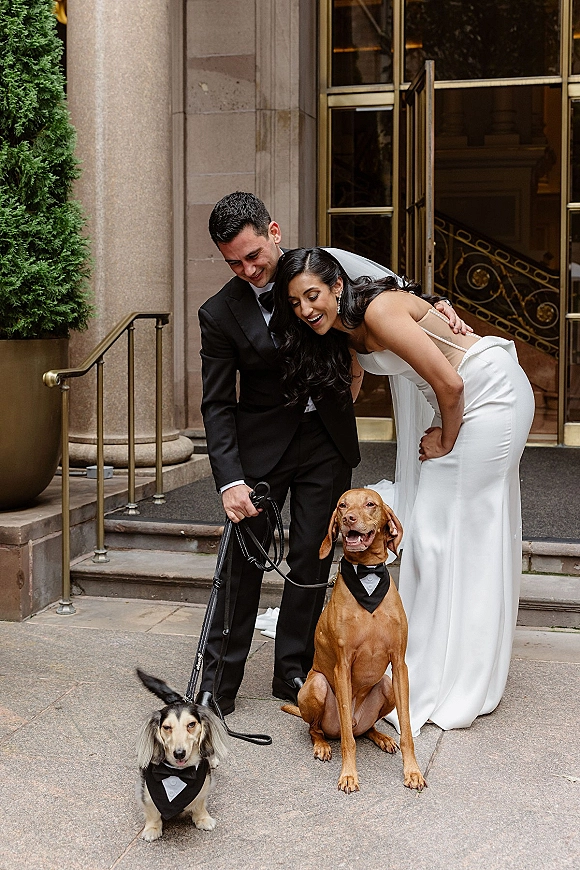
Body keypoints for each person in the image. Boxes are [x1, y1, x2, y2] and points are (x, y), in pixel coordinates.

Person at [197, 192, 469, 717]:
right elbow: (215, 403)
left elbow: (384, 290)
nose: (249, 270)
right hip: (261, 454)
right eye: (234, 263)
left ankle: (294, 671)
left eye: (254, 255)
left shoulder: (316, 271)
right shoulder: (218, 313)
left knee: (312, 556)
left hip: (327, 440)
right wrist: (229, 479)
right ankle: (217, 684)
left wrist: (435, 305)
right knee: (241, 564)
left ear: (273, 232)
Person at [270, 247, 535, 735]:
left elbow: (451, 384)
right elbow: (351, 389)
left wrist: (443, 438)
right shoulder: (344, 331)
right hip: (462, 401)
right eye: (295, 303)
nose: (306, 310)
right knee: (446, 536)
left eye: (313, 295)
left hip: (486, 396)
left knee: (437, 534)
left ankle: (443, 673)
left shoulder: (378, 310)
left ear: (337, 286)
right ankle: (450, 663)